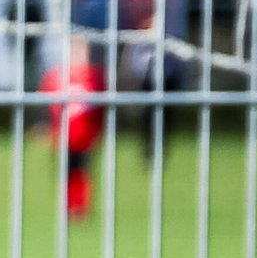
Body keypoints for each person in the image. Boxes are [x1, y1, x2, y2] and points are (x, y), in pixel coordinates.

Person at [39, 33, 107, 219]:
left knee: (83, 171)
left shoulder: (94, 76)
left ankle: (81, 208)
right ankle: (67, 205)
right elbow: (45, 103)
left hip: (85, 134)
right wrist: (45, 127)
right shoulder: (56, 75)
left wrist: (98, 129)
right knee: (65, 171)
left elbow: (102, 106)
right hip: (62, 134)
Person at [119, 11, 184, 161]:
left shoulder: (169, 41)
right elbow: (133, 63)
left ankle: (162, 150)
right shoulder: (139, 42)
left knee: (166, 120)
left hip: (167, 84)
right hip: (147, 83)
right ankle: (147, 151)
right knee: (147, 120)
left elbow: (177, 63)